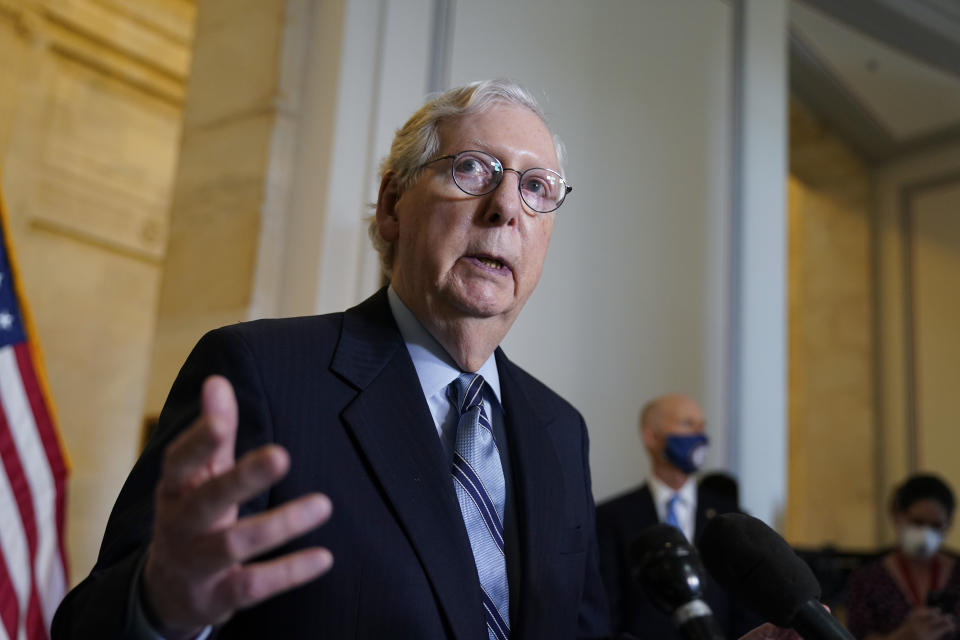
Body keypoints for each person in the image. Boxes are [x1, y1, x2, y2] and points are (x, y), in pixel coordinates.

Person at [52, 80, 799, 640]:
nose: (507, 208)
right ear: (391, 207)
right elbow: (87, 623)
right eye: (472, 169)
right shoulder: (262, 373)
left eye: (537, 188)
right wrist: (158, 607)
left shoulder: (557, 428)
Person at [596, 393, 761, 638]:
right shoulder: (611, 518)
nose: (699, 434)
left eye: (702, 425)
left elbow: (747, 604)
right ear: (651, 436)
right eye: (687, 424)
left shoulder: (732, 517)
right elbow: (607, 609)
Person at [847, 473, 960, 640]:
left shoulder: (958, 573)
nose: (926, 534)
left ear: (948, 523)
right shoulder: (868, 578)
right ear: (897, 515)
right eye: (917, 522)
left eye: (936, 525)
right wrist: (904, 637)